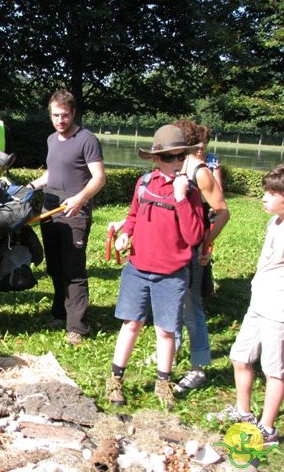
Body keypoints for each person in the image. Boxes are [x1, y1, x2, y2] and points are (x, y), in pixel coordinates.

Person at [105, 125, 204, 409]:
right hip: (138, 268)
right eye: (169, 157)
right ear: (156, 159)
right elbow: (133, 215)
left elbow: (194, 236)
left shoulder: (190, 192)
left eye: (180, 157)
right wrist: (125, 233)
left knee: (166, 331)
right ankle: (115, 379)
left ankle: (163, 382)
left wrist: (182, 198)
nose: (175, 163)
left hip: (172, 275)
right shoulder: (144, 183)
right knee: (131, 324)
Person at [26, 90, 106, 345]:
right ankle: (60, 314)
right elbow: (52, 173)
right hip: (50, 209)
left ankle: (78, 327)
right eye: (55, 115)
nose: (60, 120)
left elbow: (99, 177)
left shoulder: (87, 140)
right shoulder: (52, 139)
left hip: (74, 212)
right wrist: (30, 186)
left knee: (73, 269)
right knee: (55, 266)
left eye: (64, 115)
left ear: (73, 114)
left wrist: (80, 199)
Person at [225, 164, 284, 445]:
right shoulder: (274, 222)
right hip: (259, 302)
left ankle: (267, 428)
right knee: (240, 357)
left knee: (274, 369)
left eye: (272, 193)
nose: (264, 198)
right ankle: (243, 413)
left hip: (279, 310)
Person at [171, 119, 230, 393]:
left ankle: (198, 367)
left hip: (192, 251)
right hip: (170, 249)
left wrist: (205, 244)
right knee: (172, 303)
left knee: (192, 308)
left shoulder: (200, 172)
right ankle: (171, 352)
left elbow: (222, 211)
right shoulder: (171, 166)